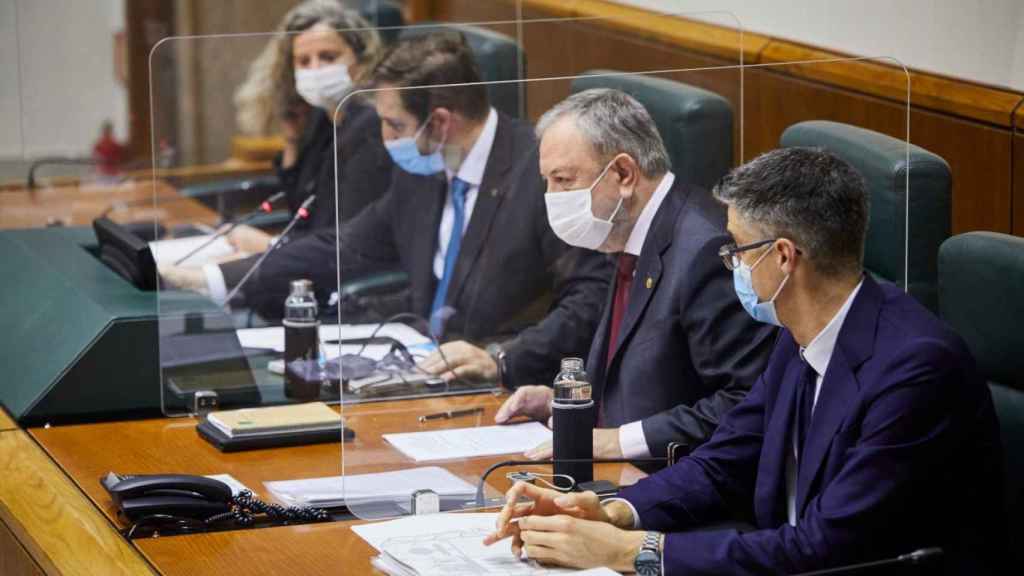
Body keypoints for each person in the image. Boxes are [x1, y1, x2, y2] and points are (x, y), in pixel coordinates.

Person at [484, 147, 1005, 574]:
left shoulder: (915, 369)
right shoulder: (801, 329)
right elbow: (725, 460)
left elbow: (823, 548)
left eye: (735, 249)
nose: (728, 262)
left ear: (782, 256)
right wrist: (614, 511)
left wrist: (626, 552)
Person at [487, 88, 775, 463]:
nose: (551, 196)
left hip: (676, 489)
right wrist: (570, 408)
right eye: (548, 181)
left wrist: (616, 441)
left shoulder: (707, 249)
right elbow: (642, 376)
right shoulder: (628, 233)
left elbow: (746, 403)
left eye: (563, 180)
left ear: (624, 173)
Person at [317, 32, 611, 387]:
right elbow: (347, 246)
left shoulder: (542, 174)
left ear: (440, 123)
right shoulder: (428, 167)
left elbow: (592, 297)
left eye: (395, 125)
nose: (385, 138)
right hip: (424, 369)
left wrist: (501, 358)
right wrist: (234, 279)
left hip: (511, 387)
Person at [160, 0, 392, 316]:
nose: (316, 70)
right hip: (304, 266)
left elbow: (345, 242)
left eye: (328, 57)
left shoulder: (369, 127)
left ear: (362, 61)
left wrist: (271, 248)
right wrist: (293, 141)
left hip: (332, 291)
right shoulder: (326, 121)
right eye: (303, 61)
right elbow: (304, 207)